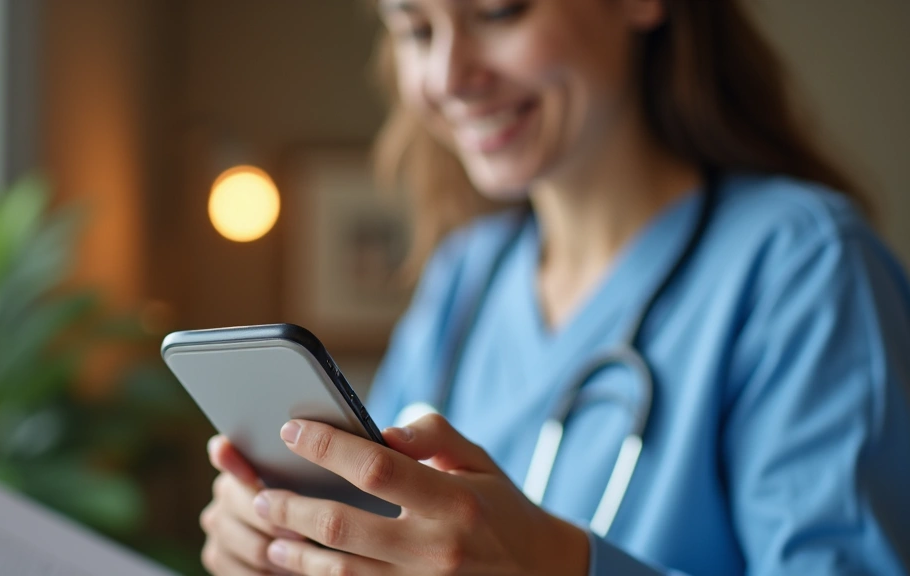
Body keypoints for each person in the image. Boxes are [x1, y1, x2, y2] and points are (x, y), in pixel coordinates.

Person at [199, 0, 910, 574]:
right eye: (415, 28)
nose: (449, 75)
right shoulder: (465, 280)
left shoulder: (803, 265)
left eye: (500, 12)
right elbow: (379, 534)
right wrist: (291, 542)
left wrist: (562, 567)